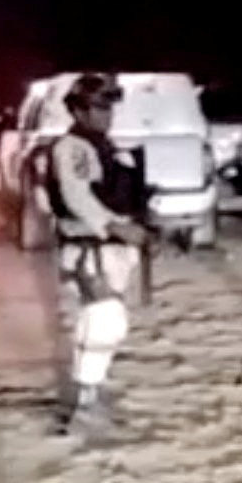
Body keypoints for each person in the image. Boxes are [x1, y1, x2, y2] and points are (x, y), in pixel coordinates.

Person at [44, 73, 153, 437]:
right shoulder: (71, 149)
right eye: (98, 107)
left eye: (109, 107)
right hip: (89, 248)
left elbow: (121, 195)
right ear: (77, 110)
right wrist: (115, 227)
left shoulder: (105, 147)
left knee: (100, 324)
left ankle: (89, 396)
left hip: (113, 251)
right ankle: (86, 405)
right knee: (106, 318)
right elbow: (77, 197)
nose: (107, 114)